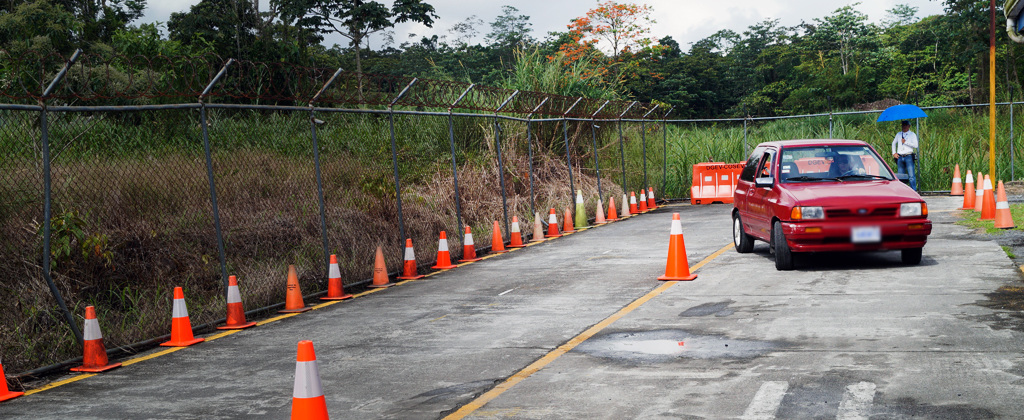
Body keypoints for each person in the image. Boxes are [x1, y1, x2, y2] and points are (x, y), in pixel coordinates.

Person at [891, 120, 919, 190]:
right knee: (901, 176)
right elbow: (893, 143)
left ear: (909, 126)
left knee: (911, 176)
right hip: (900, 156)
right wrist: (894, 153)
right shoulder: (899, 134)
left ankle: (913, 191)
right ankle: (902, 191)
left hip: (908, 156)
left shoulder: (912, 134)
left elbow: (915, 145)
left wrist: (906, 142)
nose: (904, 127)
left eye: (905, 125)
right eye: (903, 125)